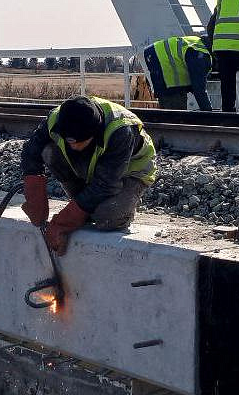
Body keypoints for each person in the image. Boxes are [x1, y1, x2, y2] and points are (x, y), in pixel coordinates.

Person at [20, 96, 156, 255]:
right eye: (69, 141)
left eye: (78, 142)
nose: (73, 146)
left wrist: (62, 223)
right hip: (94, 168)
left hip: (129, 172)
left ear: (94, 133)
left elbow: (106, 184)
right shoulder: (57, 118)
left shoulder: (121, 130)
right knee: (49, 152)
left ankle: (122, 208)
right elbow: (31, 154)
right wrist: (35, 199)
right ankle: (84, 205)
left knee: (107, 218)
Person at [142, 35, 214, 111]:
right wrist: (208, 112)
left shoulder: (197, 43)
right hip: (161, 60)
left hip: (155, 54)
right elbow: (198, 87)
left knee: (168, 98)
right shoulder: (201, 54)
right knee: (175, 98)